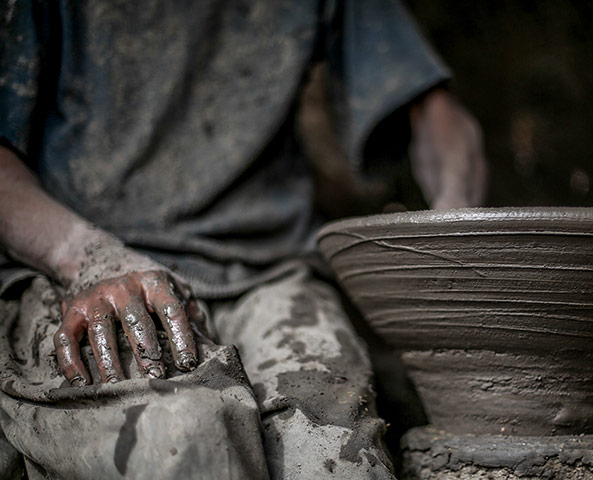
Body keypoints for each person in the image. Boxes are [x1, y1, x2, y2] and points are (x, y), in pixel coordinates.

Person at [0, 0, 486, 478]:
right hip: (91, 268)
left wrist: (455, 216)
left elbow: (438, 115)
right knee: (183, 441)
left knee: (338, 459)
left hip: (270, 271)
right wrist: (85, 256)